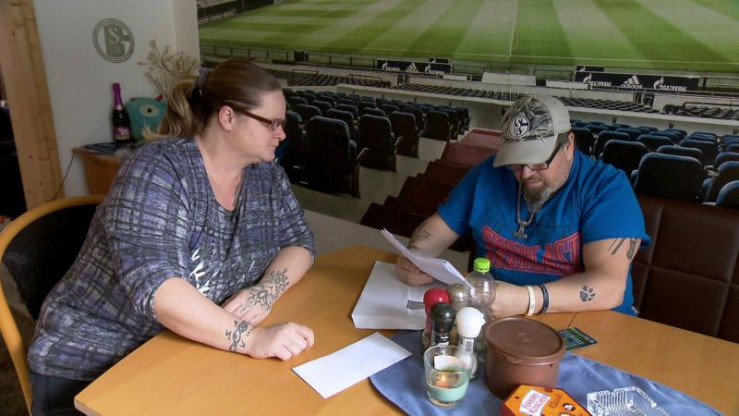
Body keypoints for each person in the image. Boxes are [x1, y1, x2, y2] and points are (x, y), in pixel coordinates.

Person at [27, 59, 316, 415]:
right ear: (228, 117)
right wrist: (252, 338)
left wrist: (265, 291)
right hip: (94, 365)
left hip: (186, 350)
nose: (281, 134)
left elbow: (300, 242)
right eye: (272, 123)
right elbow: (157, 288)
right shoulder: (158, 169)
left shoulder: (266, 176)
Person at [396, 95, 649, 319]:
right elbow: (437, 228)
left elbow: (610, 287)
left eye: (538, 161)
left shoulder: (607, 188)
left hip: (586, 321)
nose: (526, 174)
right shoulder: (489, 173)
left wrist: (526, 300)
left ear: (569, 145)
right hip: (496, 318)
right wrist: (416, 255)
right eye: (516, 162)